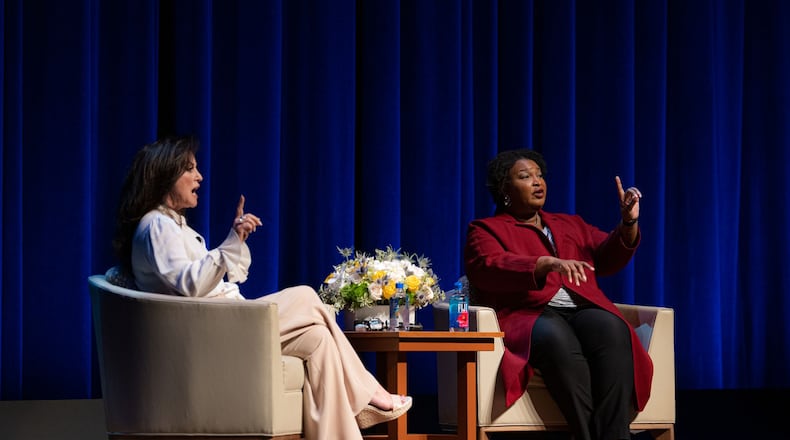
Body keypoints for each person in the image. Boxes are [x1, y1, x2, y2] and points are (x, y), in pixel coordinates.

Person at [112, 135, 411, 440]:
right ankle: (368, 391)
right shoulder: (156, 225)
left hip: (222, 324)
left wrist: (235, 241)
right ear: (166, 176)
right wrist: (230, 241)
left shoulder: (172, 224)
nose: (199, 177)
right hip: (209, 333)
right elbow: (191, 286)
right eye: (190, 169)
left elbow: (211, 278)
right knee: (306, 296)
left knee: (318, 338)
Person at [463, 149, 653, 440]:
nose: (537, 182)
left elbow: (607, 257)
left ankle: (615, 435)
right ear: (505, 190)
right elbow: (486, 266)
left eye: (540, 175)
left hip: (581, 306)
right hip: (529, 313)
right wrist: (544, 264)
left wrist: (628, 224)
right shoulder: (486, 229)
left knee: (613, 329)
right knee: (555, 337)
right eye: (525, 177)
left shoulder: (569, 224)